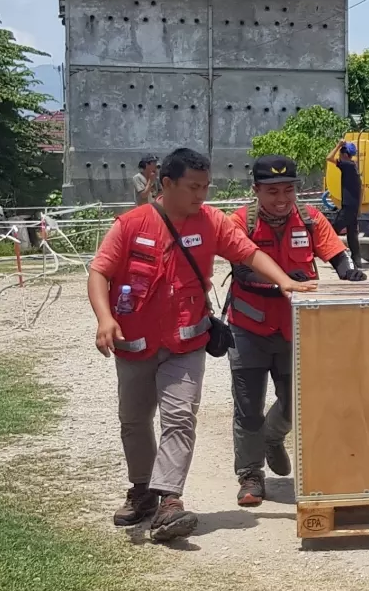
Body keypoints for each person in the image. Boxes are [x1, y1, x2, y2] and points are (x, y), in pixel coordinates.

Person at [88, 147, 308, 542]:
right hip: (134, 345)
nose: (201, 195)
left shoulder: (211, 222)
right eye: (193, 187)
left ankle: (170, 502)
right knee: (134, 422)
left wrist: (285, 281)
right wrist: (105, 318)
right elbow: (99, 272)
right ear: (166, 183)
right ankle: (142, 492)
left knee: (180, 418)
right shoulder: (130, 224)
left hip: (185, 342)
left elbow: (249, 252)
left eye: (206, 187)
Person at [227, 154, 367, 508]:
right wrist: (284, 284)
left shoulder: (309, 218)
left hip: (298, 330)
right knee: (248, 406)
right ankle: (250, 476)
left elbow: (336, 253)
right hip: (249, 329)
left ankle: (273, 438)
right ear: (256, 190)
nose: (281, 199)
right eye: (272, 191)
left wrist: (348, 271)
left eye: (288, 190)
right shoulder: (240, 223)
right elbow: (243, 271)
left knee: (297, 401)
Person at [328, 139, 363, 256]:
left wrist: (338, 145)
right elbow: (361, 189)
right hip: (353, 206)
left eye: (340, 154)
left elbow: (329, 158)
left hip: (348, 206)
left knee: (331, 230)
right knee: (352, 234)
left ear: (344, 154)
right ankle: (356, 259)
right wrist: (359, 208)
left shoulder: (347, 165)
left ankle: (335, 254)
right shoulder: (353, 167)